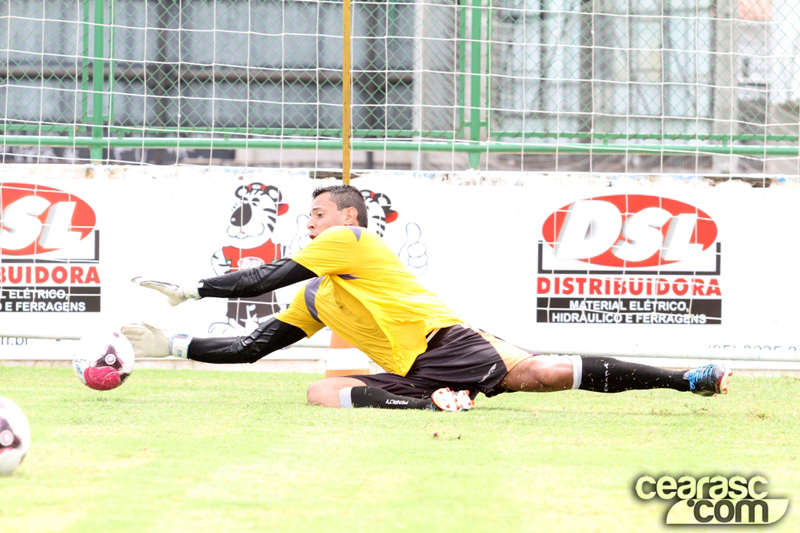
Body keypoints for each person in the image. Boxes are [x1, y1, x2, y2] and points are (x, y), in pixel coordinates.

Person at [121, 185, 733, 412]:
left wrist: (187, 290)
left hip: (447, 344)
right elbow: (254, 346)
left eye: (317, 213)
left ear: (347, 217)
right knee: (320, 392)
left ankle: (685, 378)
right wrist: (171, 345)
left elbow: (260, 280)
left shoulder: (352, 241)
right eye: (306, 215)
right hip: (419, 365)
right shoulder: (317, 295)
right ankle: (440, 401)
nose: (308, 222)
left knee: (541, 373)